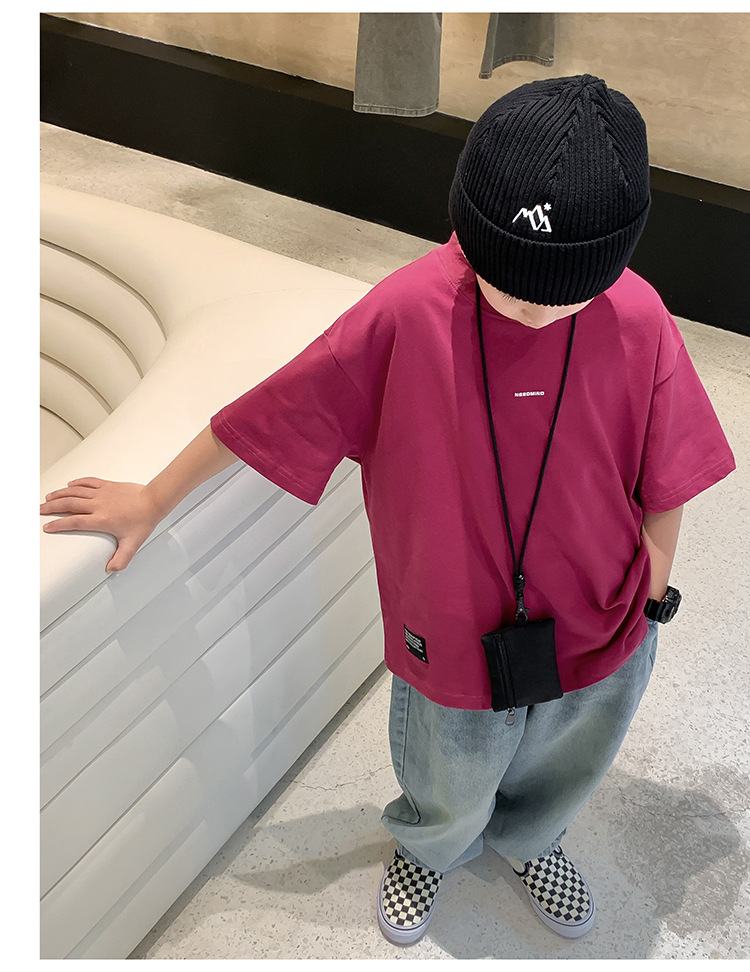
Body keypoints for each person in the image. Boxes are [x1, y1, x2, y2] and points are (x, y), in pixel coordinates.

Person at [40, 75, 736, 947]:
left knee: (572, 750)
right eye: (509, 286)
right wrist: (153, 496)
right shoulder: (407, 310)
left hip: (604, 608)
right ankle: (431, 844)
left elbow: (668, 469)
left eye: (564, 295)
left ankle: (533, 839)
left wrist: (654, 588)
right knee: (449, 761)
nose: (533, 311)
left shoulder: (637, 316)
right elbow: (274, 409)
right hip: (449, 613)